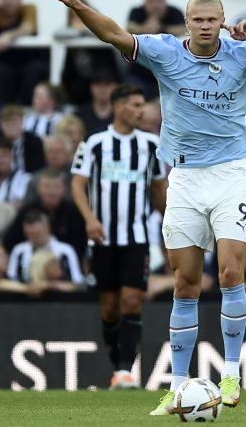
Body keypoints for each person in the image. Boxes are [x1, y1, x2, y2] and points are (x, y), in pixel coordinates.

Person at [47, 0, 246, 413]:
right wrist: (77, 6)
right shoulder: (164, 51)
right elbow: (114, 33)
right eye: (197, 19)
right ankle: (177, 384)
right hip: (185, 177)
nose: (205, 26)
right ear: (185, 23)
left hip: (231, 174)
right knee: (185, 282)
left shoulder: (244, 54)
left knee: (230, 272)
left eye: (212, 19)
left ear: (223, 21)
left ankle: (230, 375)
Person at [71, 84, 167, 390]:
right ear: (119, 106)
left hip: (137, 238)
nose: (142, 111)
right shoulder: (95, 143)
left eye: (142, 105)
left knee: (131, 300)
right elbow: (77, 184)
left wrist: (170, 225)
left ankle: (126, 370)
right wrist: (89, 218)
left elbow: (158, 189)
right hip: (103, 240)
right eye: (136, 105)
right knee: (110, 306)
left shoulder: (151, 144)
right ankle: (118, 367)